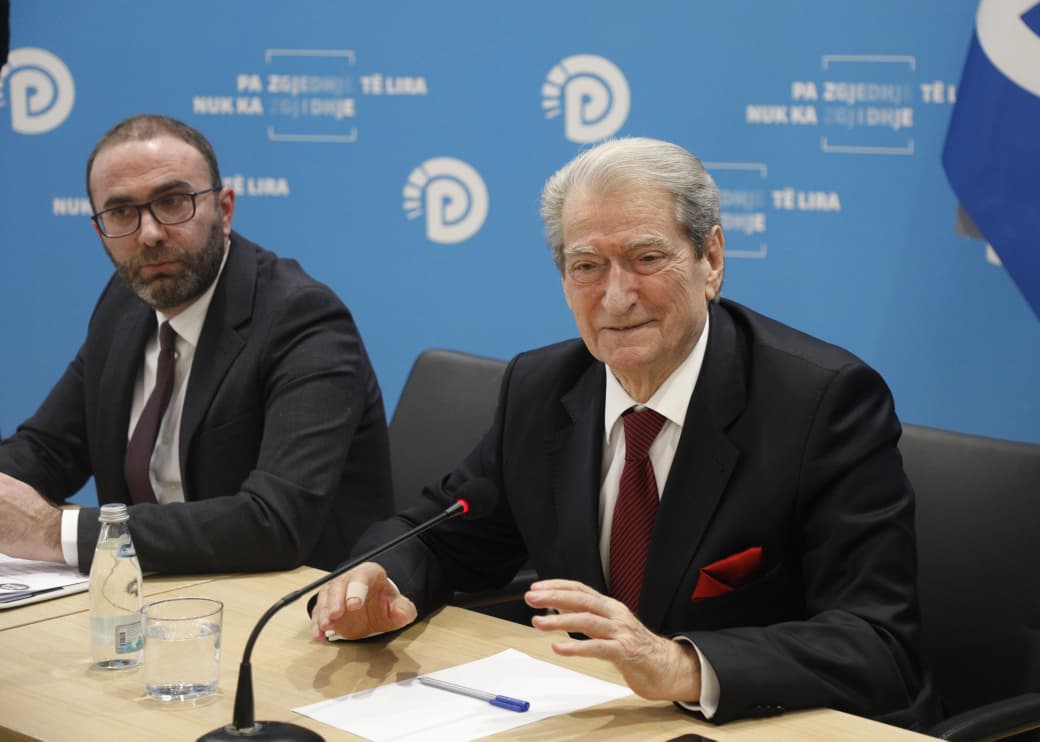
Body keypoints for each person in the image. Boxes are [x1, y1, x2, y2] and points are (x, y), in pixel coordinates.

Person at [309, 137, 940, 727]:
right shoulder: (541, 389)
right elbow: (443, 536)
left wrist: (680, 664)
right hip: (604, 721)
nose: (616, 297)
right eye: (587, 265)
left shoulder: (821, 404)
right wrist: (378, 581)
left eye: (646, 259)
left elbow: (877, 645)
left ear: (712, 260)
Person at [0, 114, 393, 574]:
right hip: (158, 590)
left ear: (224, 210)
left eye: (172, 202)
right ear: (99, 229)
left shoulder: (302, 318)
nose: (149, 234)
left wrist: (54, 532)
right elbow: (48, 450)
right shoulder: (125, 303)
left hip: (295, 600)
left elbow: (275, 523)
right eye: (121, 212)